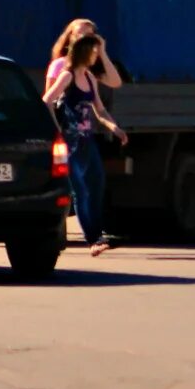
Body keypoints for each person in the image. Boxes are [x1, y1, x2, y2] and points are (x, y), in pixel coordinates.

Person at [43, 19, 126, 256]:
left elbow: (101, 107)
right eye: (85, 39)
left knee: (96, 185)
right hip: (70, 141)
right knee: (79, 190)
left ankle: (97, 234)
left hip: (87, 140)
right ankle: (93, 238)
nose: (93, 49)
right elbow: (47, 100)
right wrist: (56, 129)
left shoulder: (89, 76)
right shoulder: (64, 72)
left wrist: (114, 127)